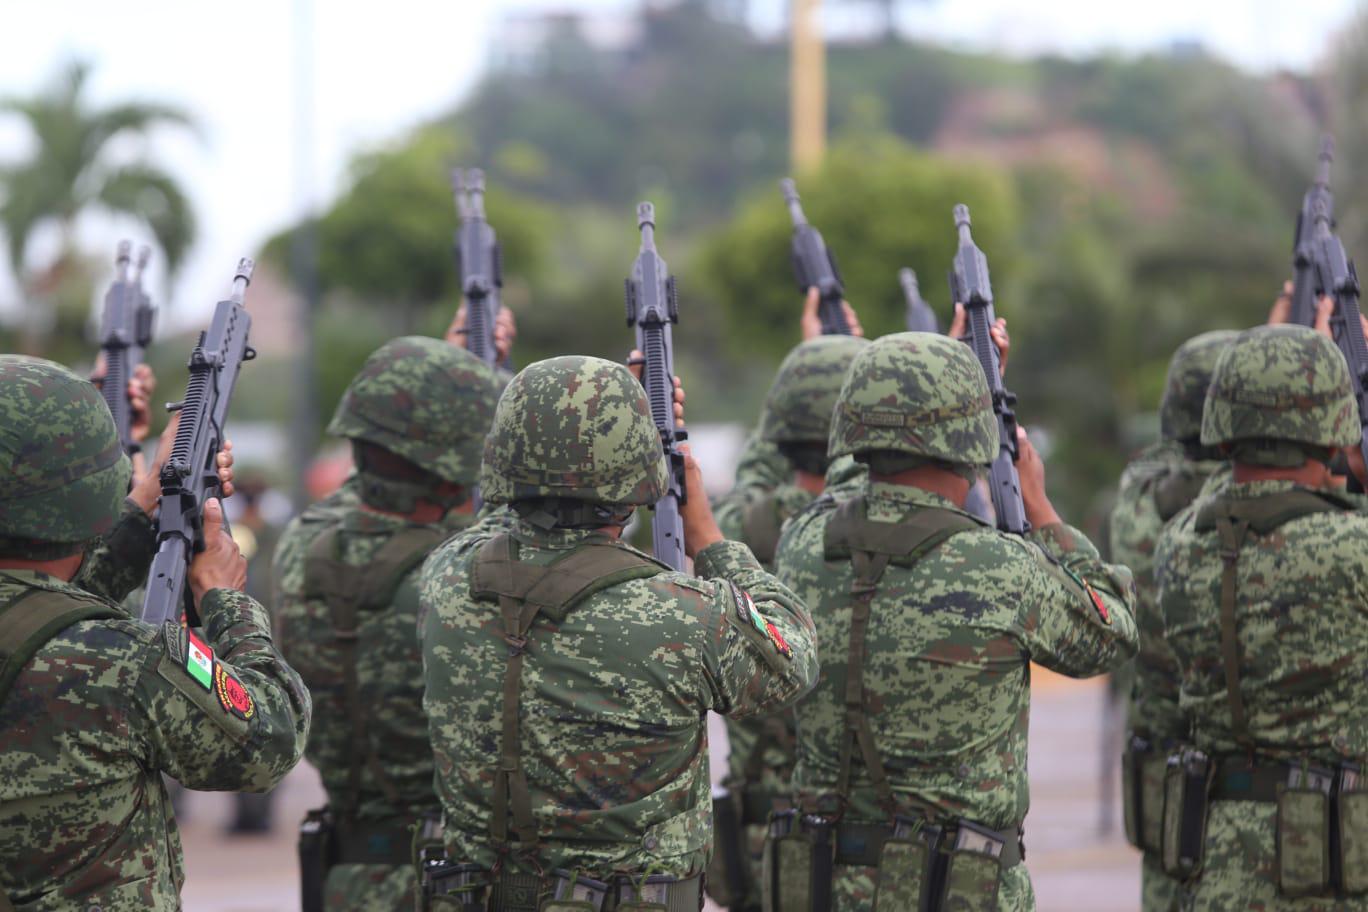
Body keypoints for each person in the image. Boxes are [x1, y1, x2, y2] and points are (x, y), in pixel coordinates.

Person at [419, 355, 818, 910]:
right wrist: (708, 535)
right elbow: (792, 654)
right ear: (638, 473)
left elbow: (505, 525)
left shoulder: (445, 578)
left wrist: (589, 422)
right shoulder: (684, 614)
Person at [772, 333, 1138, 912]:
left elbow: (851, 494)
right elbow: (1111, 631)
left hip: (827, 888)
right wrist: (1039, 508)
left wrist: (951, 384)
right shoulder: (1001, 567)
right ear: (972, 439)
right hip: (957, 891)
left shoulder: (800, 545)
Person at [0, 355, 310, 910]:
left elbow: (39, 603)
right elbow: (272, 737)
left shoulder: (76, 642)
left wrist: (144, 509)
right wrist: (225, 598)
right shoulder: (118, 660)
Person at [273, 336, 503, 911]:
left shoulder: (299, 549)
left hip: (346, 882)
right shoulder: (462, 581)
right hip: (452, 886)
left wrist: (423, 397)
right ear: (454, 475)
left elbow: (371, 485)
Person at [1155, 324, 1368, 910]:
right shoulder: (1350, 549)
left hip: (1214, 863)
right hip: (1329, 871)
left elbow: (1232, 502)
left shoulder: (1176, 546)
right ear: (1333, 429)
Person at [709, 329, 868, 912]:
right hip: (862, 841)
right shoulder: (874, 535)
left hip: (763, 842)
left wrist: (803, 378)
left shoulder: (730, 529)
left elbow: (755, 474)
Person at [1109, 330, 1235, 911]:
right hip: (1245, 794)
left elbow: (1165, 459)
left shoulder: (1137, 503)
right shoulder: (1254, 512)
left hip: (1164, 784)